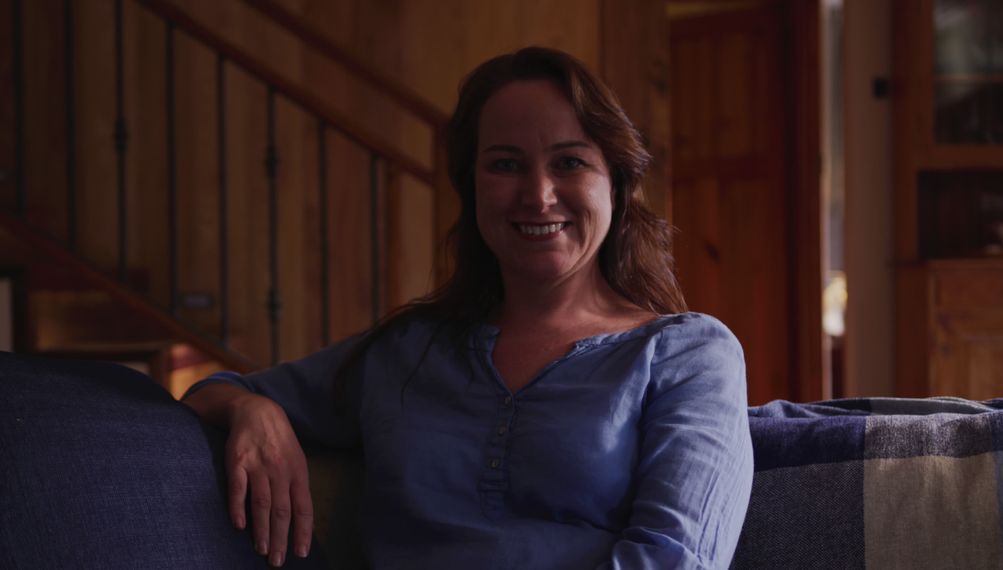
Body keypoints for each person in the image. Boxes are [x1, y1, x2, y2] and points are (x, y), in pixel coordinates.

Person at [182, 46, 753, 569]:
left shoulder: (687, 354)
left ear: (617, 181)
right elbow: (212, 391)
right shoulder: (407, 350)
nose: (538, 194)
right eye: (505, 164)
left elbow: (676, 559)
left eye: (570, 162)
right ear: (471, 186)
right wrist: (252, 411)